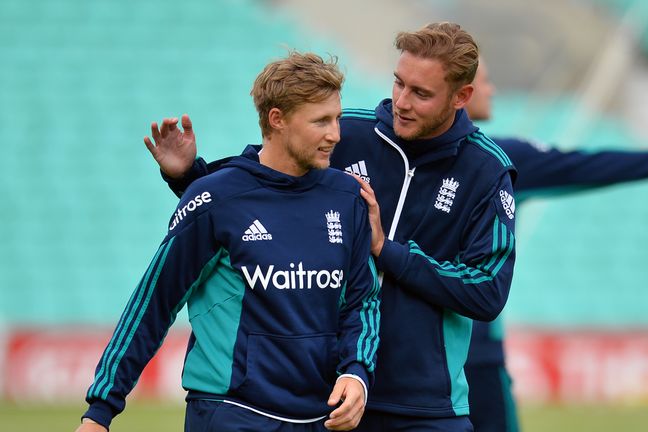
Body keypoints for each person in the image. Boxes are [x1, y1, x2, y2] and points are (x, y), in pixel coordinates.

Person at [149, 22, 518, 431]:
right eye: (398, 83)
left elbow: (487, 291)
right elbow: (256, 183)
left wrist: (388, 250)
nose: (401, 101)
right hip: (331, 401)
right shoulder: (348, 133)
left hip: (427, 408)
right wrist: (188, 178)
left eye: (421, 93)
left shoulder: (486, 170)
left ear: (461, 97)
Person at [77, 52, 380, 432]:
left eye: (336, 118)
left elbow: (362, 302)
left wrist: (356, 373)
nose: (335, 134)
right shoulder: (215, 198)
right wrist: (100, 411)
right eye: (321, 121)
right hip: (231, 414)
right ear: (277, 120)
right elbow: (153, 303)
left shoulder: (346, 196)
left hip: (320, 418)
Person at [462, 58, 648, 432]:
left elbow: (587, 164)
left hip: (420, 353)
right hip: (473, 354)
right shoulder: (500, 160)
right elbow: (587, 166)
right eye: (485, 81)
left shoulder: (431, 159)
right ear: (461, 94)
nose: (492, 89)